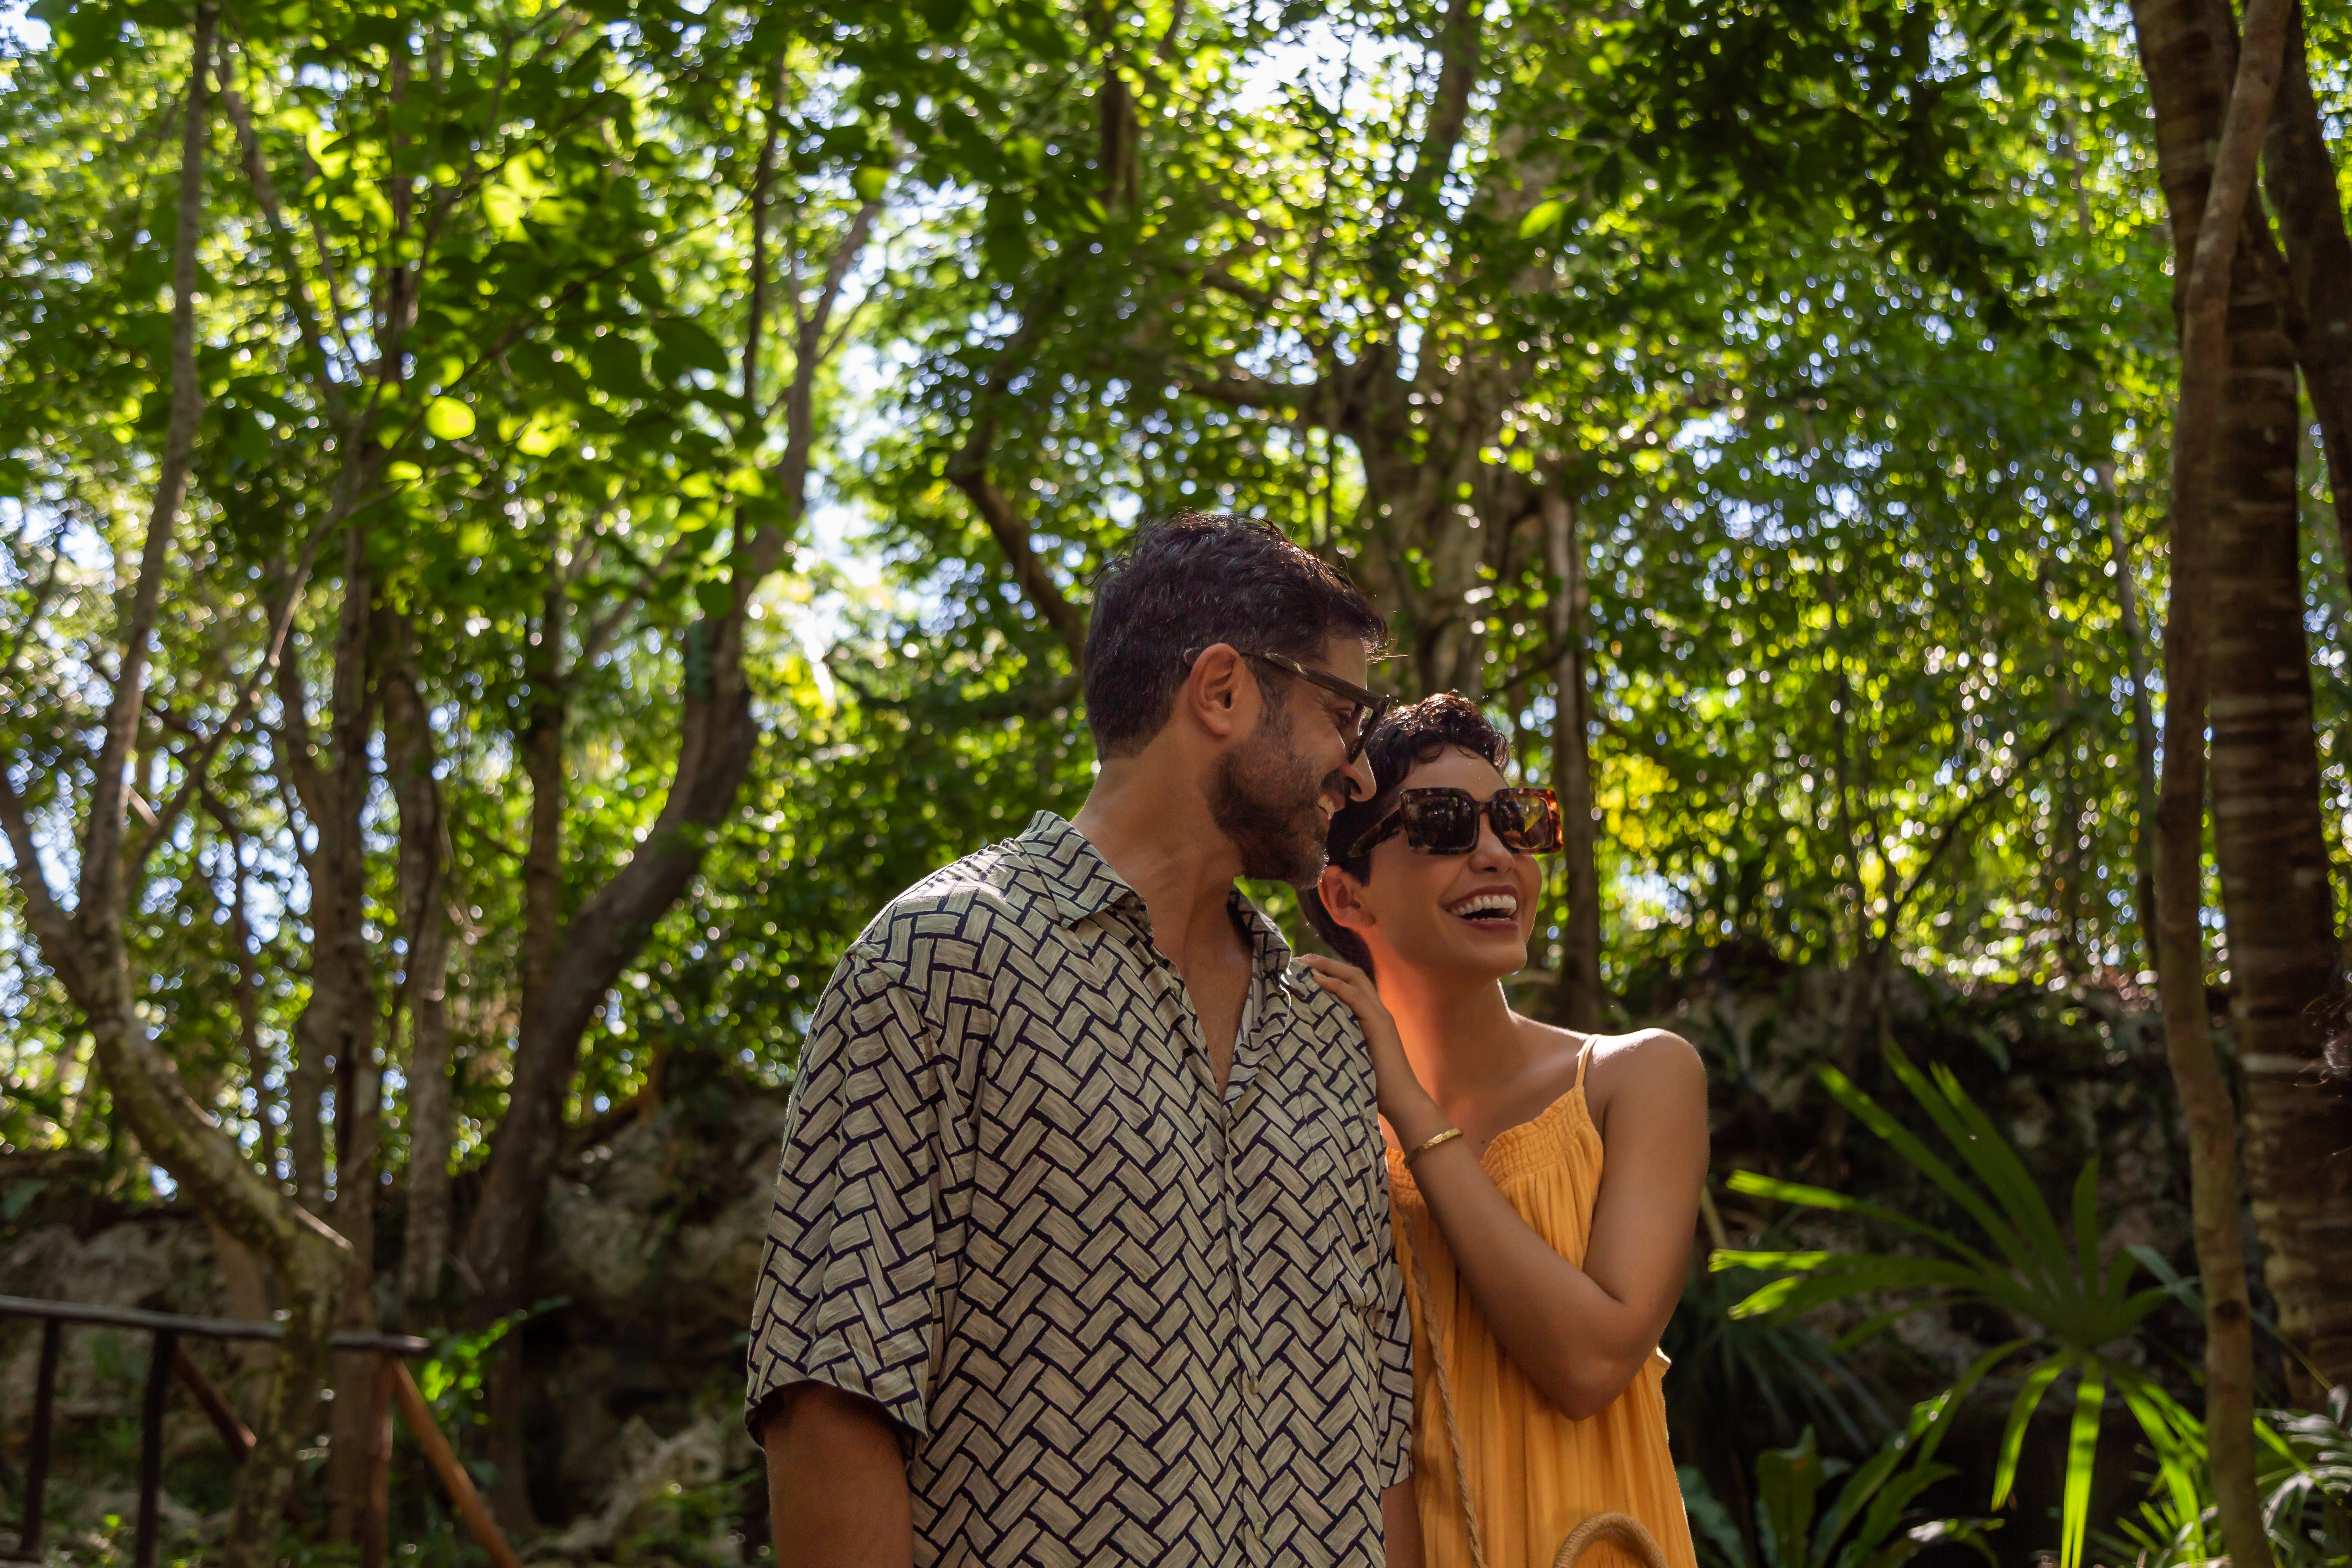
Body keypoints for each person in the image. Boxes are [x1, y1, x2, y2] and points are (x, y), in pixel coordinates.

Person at [745, 513, 1424, 1568]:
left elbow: (1382, 1433)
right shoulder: (939, 960)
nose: (1362, 771)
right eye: (1345, 713)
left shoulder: (1330, 1038)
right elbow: (833, 1394)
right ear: (1223, 690)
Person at [1297, 694, 1708, 1568]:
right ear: (1345, 893)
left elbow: (1589, 1366)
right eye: (1443, 826)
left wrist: (1409, 1107)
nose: (1494, 855)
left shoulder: (1638, 1077)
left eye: (1515, 822)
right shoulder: (1319, 1136)